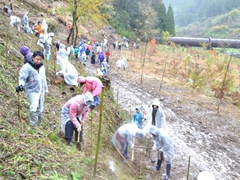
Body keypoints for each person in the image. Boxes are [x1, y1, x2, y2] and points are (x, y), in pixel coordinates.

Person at [16, 51, 48, 129]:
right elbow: (22, 78)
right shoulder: (27, 67)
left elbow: (43, 79)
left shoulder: (42, 67)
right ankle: (33, 125)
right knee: (34, 106)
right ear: (33, 58)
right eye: (37, 59)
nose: (39, 61)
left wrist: (46, 89)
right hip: (32, 89)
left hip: (41, 90)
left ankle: (38, 124)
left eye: (41, 60)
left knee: (40, 107)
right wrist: (20, 85)